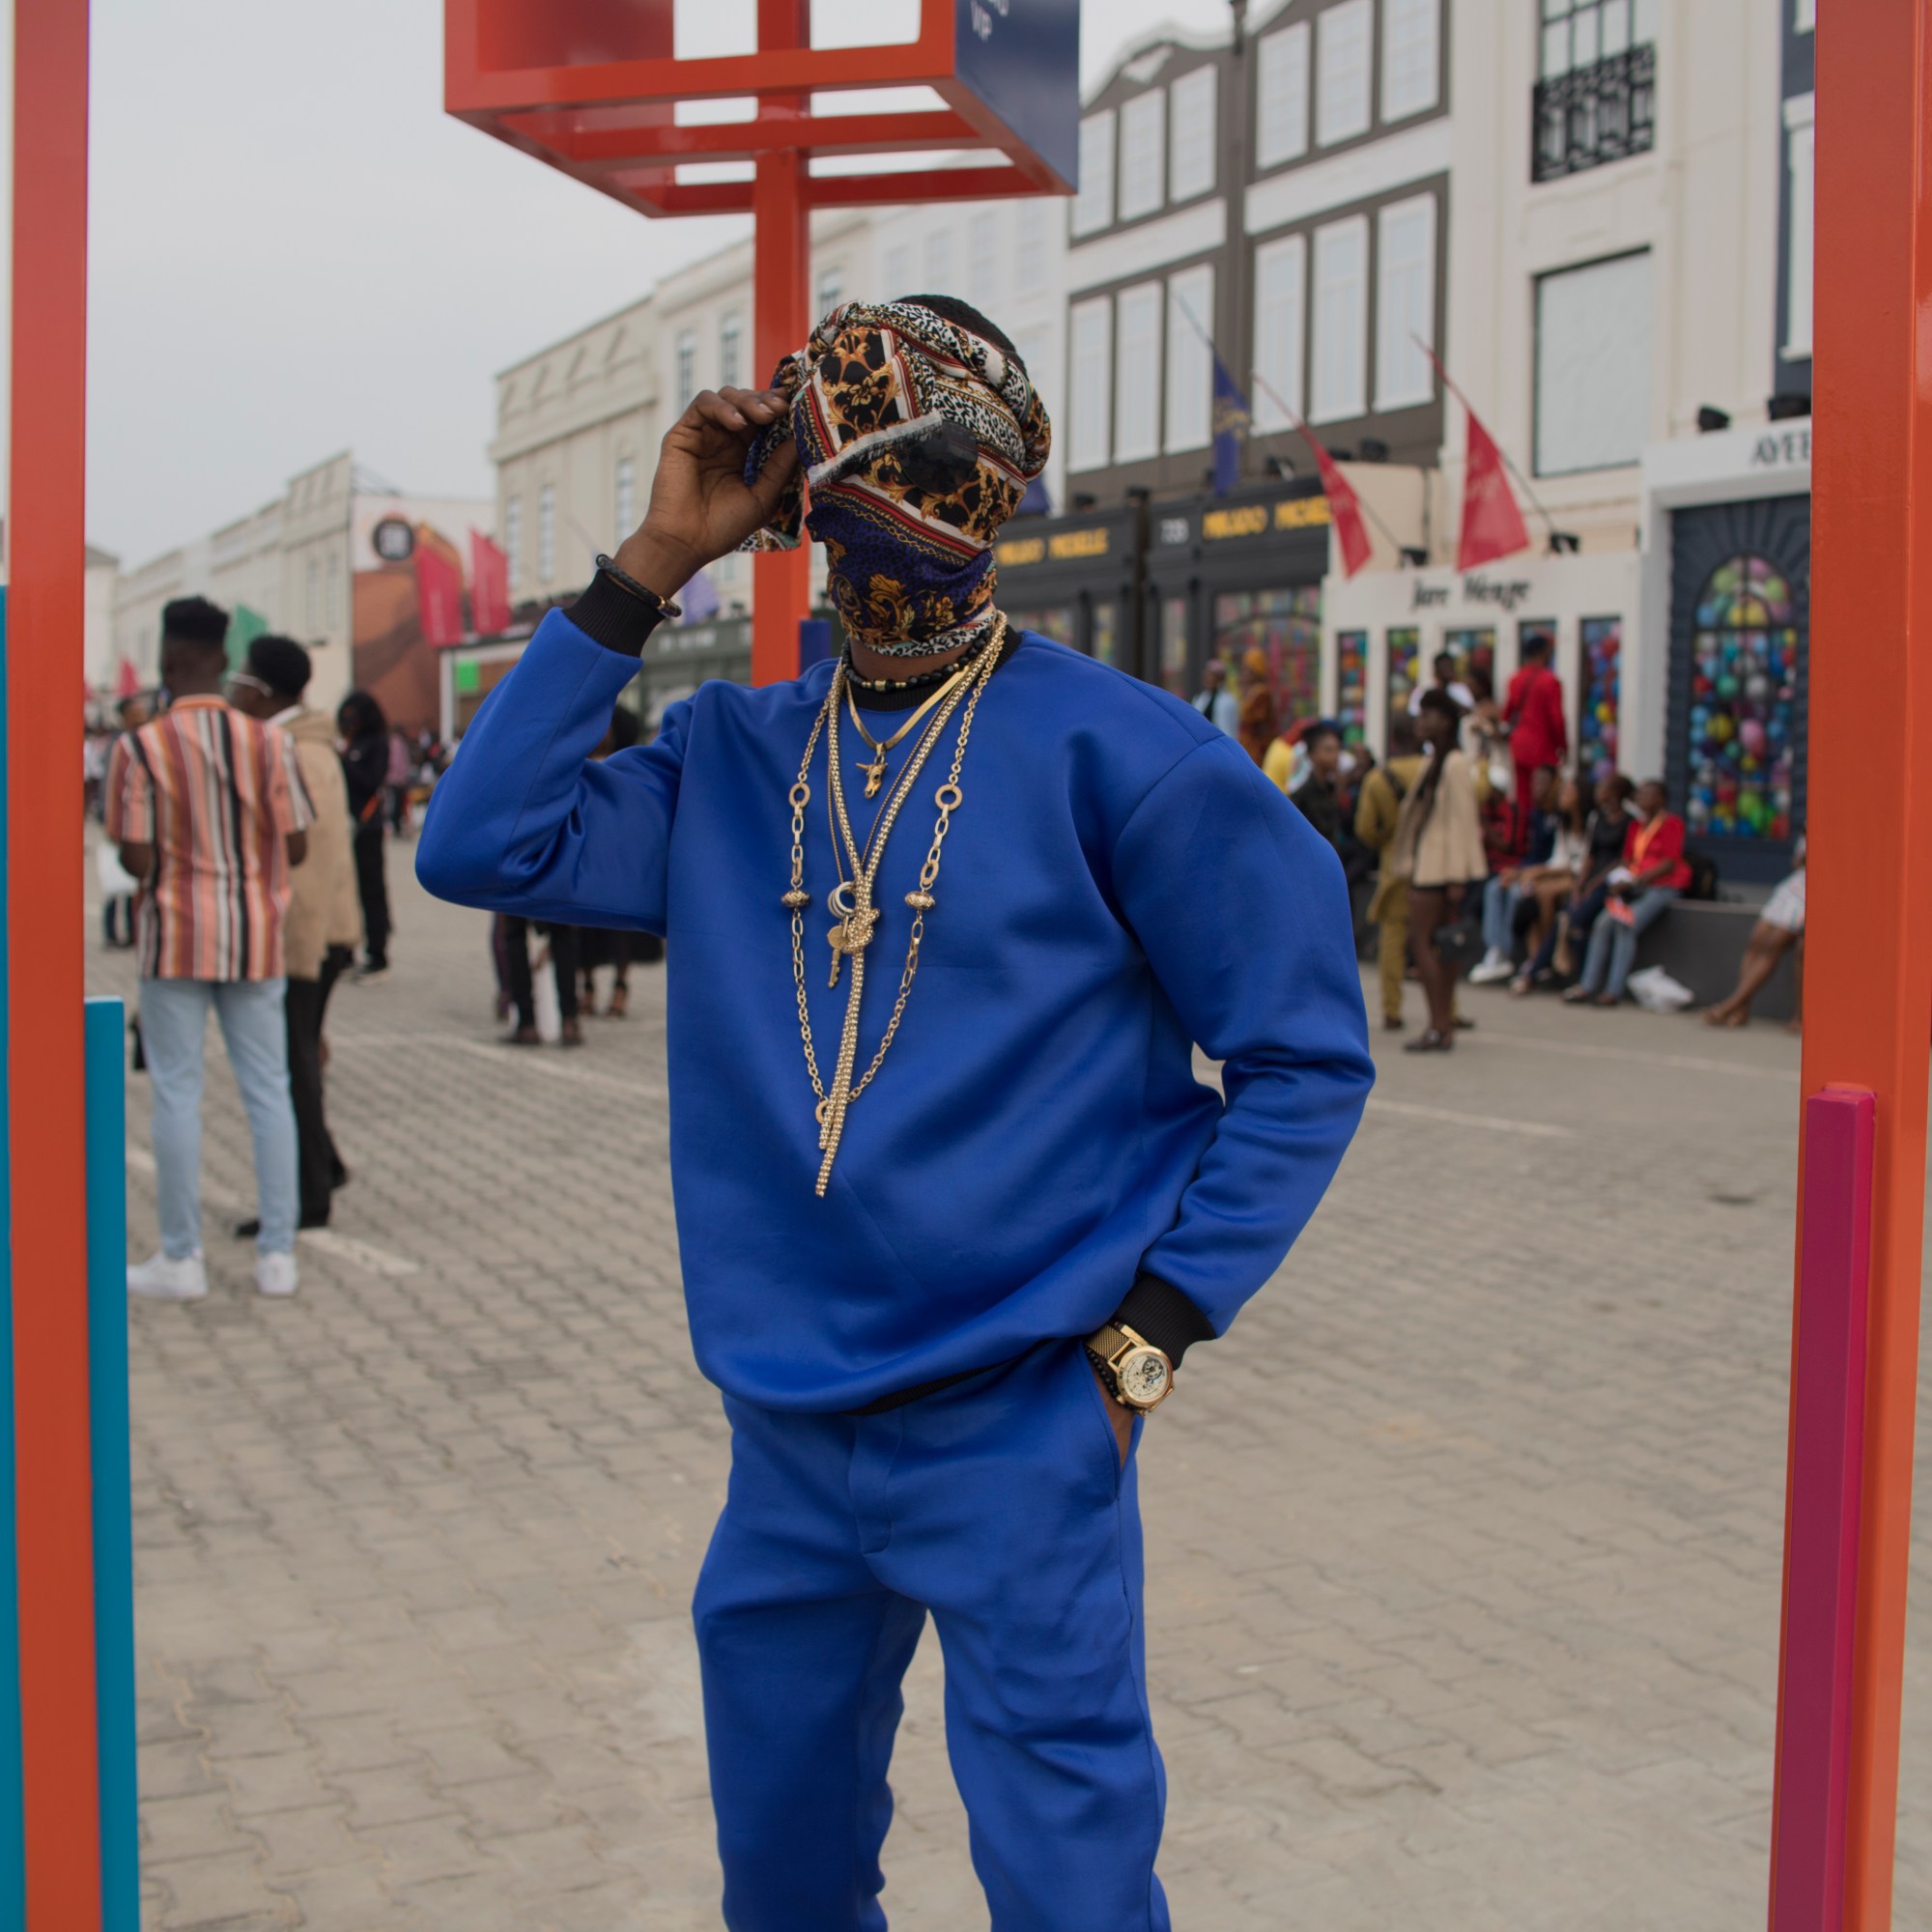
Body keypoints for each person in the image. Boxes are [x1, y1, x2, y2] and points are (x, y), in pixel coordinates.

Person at [416, 295, 1373, 1929]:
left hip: (1025, 1421)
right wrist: (651, 559)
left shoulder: (1123, 757)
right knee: (780, 1886)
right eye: (842, 461)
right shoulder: (733, 754)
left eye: (925, 460)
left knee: (1069, 1890)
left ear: (998, 483)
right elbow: (476, 848)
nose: (891, 501)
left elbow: (1304, 1057)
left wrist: (1151, 1334)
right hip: (784, 1436)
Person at [105, 596, 314, 1300]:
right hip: (256, 934)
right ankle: (278, 1257)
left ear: (169, 661)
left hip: (175, 937)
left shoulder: (139, 746)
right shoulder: (271, 743)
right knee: (268, 1092)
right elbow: (297, 843)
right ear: (226, 660)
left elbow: (134, 859)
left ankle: (181, 1258)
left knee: (176, 1093)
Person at [225, 635, 360, 1231]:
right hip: (321, 929)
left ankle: (308, 1197)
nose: (233, 688)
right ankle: (323, 1166)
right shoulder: (298, 744)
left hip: (307, 933)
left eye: (242, 677)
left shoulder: (296, 752)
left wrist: (294, 949)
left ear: (263, 690)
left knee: (292, 1064)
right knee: (299, 1056)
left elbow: (310, 862)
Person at [1389, 689, 1488, 1053]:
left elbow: (1463, 823)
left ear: (1445, 721)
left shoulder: (1455, 763)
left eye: (1427, 715)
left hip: (1441, 872)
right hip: (1433, 868)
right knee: (1438, 948)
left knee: (1425, 945)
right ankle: (1442, 1026)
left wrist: (1457, 880)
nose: (1420, 722)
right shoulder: (1439, 760)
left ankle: (1439, 1026)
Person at [1565, 779, 1690, 1007]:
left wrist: (1636, 881)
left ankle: (1613, 991)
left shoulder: (1672, 823)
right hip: (1633, 887)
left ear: (1661, 800)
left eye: (1648, 795)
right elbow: (1628, 859)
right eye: (1640, 794)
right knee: (1603, 924)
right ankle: (1587, 985)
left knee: (1626, 925)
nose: (1642, 799)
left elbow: (1669, 863)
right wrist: (1616, 879)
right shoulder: (1636, 826)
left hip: (1661, 887)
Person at [1512, 772, 1634, 994]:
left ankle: (1574, 980)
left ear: (1616, 794)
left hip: (1608, 882)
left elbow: (1623, 859)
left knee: (1574, 920)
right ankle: (1538, 971)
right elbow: (1590, 855)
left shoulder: (1629, 822)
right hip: (1588, 881)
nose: (1599, 792)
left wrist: (1594, 882)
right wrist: (1580, 884)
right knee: (1564, 917)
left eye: (1604, 788)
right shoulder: (1598, 820)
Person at [1355, 716, 1427, 1031]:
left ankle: (1392, 1009)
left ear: (1393, 741)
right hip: (1432, 863)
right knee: (1433, 939)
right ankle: (1447, 1009)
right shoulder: (1433, 770)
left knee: (1393, 941)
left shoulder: (1378, 779)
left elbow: (1366, 829)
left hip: (1395, 864)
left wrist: (1387, 842)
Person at [1469, 765, 1560, 983]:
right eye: (1534, 782)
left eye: (1543, 782)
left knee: (1516, 895)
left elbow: (1512, 846)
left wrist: (1521, 872)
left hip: (1537, 873)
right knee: (1493, 889)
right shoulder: (1536, 814)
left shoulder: (1543, 815)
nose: (1537, 788)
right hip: (1521, 870)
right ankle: (1495, 950)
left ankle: (1511, 952)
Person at [1703, 846, 1804, 1031]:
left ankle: (1732, 1004)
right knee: (1757, 941)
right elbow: (1796, 864)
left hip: (1813, 891)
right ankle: (1742, 1009)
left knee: (1772, 946)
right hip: (1793, 887)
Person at [337, 690, 392, 981]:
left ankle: (378, 952)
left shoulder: (375, 744)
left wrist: (344, 762)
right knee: (345, 890)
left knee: (372, 891)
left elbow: (371, 781)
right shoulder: (350, 743)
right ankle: (345, 949)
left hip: (367, 828)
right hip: (344, 828)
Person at [1503, 634, 1568, 840]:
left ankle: (1521, 839)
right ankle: (1542, 841)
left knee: (1523, 796)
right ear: (1542, 652)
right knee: (1545, 796)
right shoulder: (1550, 680)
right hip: (1542, 746)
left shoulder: (1515, 679)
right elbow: (1556, 719)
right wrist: (1563, 746)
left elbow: (1507, 713)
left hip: (1519, 744)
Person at [1290, 721, 1347, 854]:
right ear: (1312, 754)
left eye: (1338, 749)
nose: (1335, 756)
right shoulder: (1302, 795)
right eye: (1328, 750)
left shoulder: (1332, 787)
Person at [1407, 650, 1475, 717]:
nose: (1448, 671)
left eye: (1450, 667)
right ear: (1436, 671)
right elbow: (1414, 714)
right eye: (1444, 667)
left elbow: (1469, 711)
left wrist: (1445, 697)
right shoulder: (1421, 691)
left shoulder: (1461, 689)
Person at [1190, 656, 1238, 735]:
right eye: (1207, 675)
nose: (1208, 679)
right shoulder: (1200, 698)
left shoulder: (1228, 701)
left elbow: (1229, 728)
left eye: (1212, 676)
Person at [1236, 676, 1278, 769]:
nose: (1245, 676)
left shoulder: (1261, 692)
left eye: (1249, 672)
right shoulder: (1249, 692)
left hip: (1255, 743)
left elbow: (1261, 716)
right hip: (1246, 742)